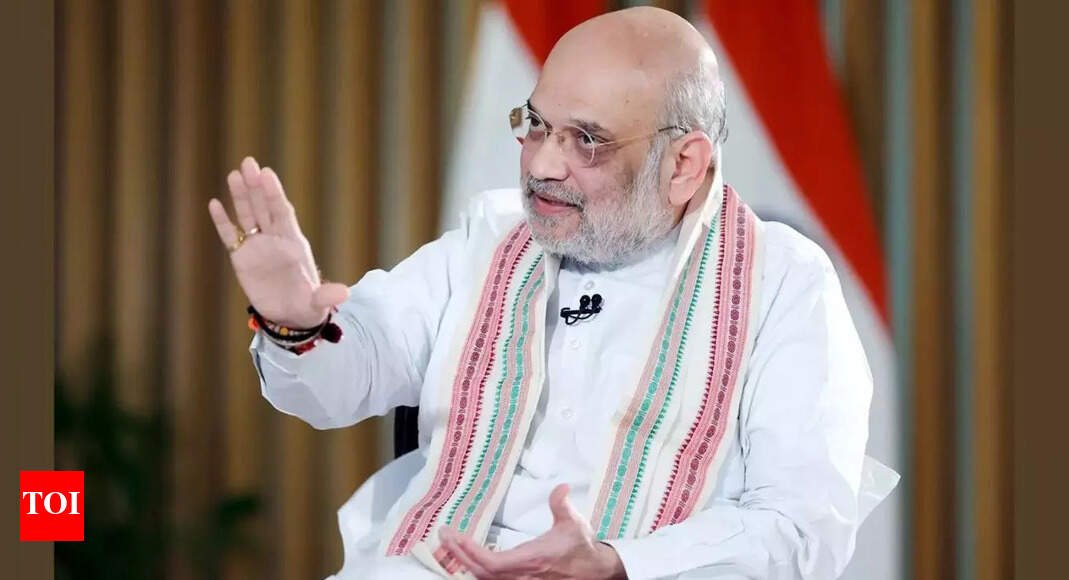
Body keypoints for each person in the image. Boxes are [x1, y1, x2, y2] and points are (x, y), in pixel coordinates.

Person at [208, 7, 896, 579]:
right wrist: (293, 320)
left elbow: (802, 529)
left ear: (684, 164)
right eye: (535, 124)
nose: (540, 163)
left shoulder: (782, 282)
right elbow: (339, 386)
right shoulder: (490, 238)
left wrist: (617, 564)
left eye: (586, 140)